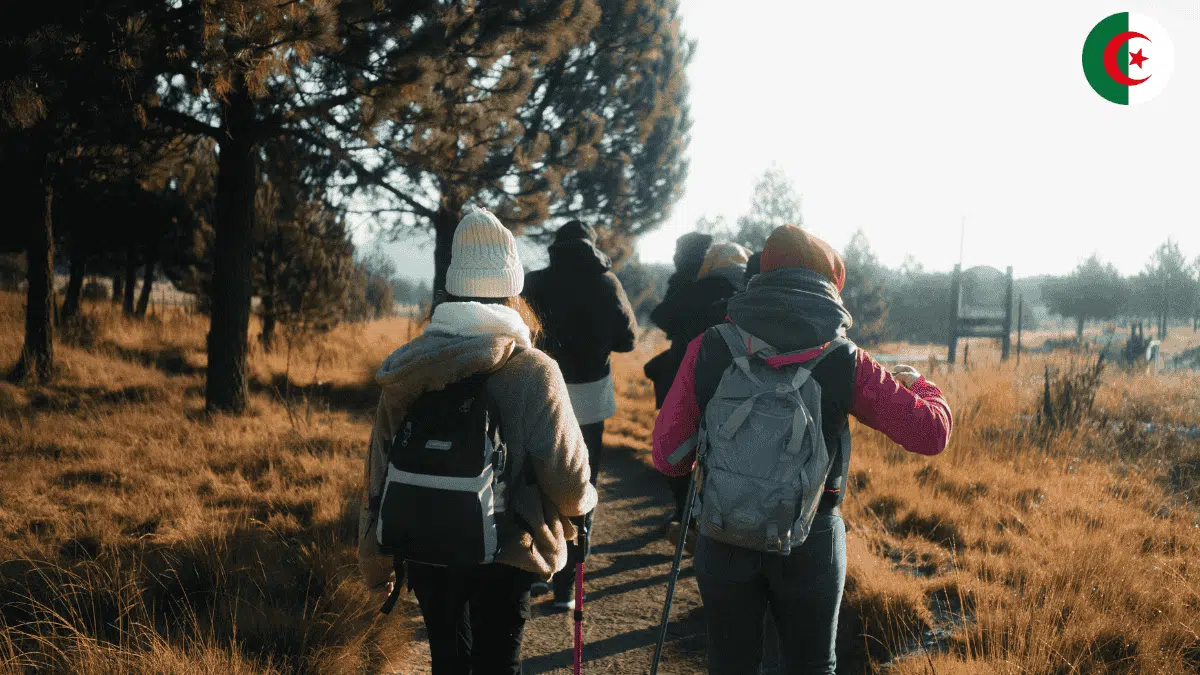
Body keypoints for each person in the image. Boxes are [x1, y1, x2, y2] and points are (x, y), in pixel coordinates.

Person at [652, 224, 953, 675]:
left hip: (724, 530)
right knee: (811, 666)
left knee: (730, 665)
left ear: (761, 275)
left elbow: (667, 456)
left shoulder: (711, 345)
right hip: (810, 538)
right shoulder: (845, 358)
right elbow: (930, 435)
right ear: (832, 284)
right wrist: (921, 386)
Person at [359, 209, 598, 675]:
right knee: (496, 664)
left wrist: (375, 560)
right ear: (512, 288)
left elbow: (377, 473)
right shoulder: (534, 372)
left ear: (453, 286)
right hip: (510, 549)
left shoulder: (407, 367)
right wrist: (580, 509)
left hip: (424, 539)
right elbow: (568, 480)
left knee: (448, 661)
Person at [523, 219, 638, 609]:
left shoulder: (534, 282)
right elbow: (628, 340)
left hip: (540, 391)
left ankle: (537, 567)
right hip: (589, 398)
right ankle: (566, 589)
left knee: (535, 478)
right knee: (581, 485)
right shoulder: (607, 283)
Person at [651, 241, 751, 542]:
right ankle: (716, 518)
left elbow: (661, 316)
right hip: (733, 388)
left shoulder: (694, 290)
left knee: (684, 446)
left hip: (686, 378)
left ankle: (683, 514)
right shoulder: (747, 296)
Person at [643, 232, 714, 408]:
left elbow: (661, 315)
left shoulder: (683, 280)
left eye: (678, 250)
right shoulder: (713, 277)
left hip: (685, 355)